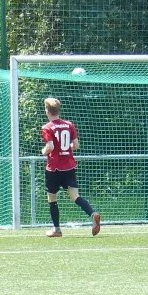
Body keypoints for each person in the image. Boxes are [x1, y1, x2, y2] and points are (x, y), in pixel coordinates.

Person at [41, 97, 101, 237]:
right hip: (69, 166)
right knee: (75, 196)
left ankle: (57, 229)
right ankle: (92, 214)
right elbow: (76, 145)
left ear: (47, 111)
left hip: (54, 167)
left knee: (52, 198)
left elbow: (49, 147)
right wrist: (66, 149)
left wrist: (44, 151)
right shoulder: (69, 125)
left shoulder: (47, 127)